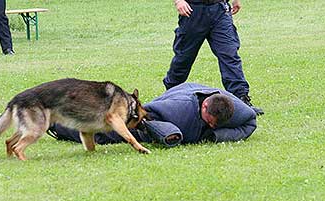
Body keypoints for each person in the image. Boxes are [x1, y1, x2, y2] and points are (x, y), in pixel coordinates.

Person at [48, 82, 257, 148]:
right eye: (210, 123)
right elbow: (144, 116)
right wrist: (163, 133)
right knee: (106, 133)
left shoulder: (240, 112)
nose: (212, 126)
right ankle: (57, 125)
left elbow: (250, 125)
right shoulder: (176, 110)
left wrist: (217, 135)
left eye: (216, 125)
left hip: (188, 92)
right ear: (204, 108)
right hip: (161, 114)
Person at [163, 0, 264, 115]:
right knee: (184, 58)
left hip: (220, 10)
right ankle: (170, 95)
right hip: (192, 11)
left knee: (229, 55)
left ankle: (241, 100)